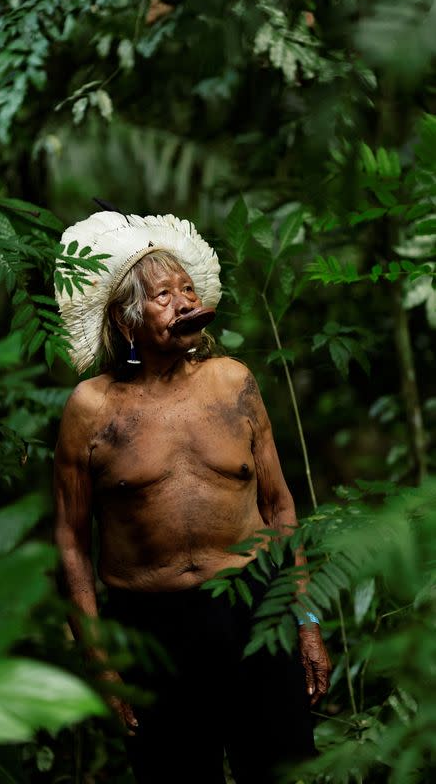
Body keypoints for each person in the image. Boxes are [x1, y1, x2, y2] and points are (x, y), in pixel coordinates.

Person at [54, 211, 331, 784]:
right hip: (152, 630)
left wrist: (305, 622)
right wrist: (99, 658)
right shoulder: (91, 408)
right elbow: (72, 539)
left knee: (282, 772)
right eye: (163, 295)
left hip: (256, 612)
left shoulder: (233, 382)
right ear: (126, 320)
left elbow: (280, 508)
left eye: (188, 289)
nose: (185, 302)